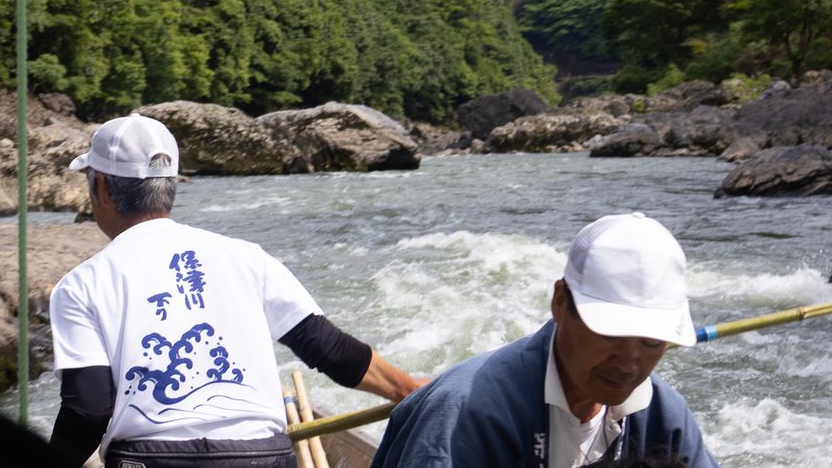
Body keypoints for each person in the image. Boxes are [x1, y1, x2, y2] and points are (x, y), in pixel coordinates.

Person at [49, 113, 425, 468]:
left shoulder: (82, 284)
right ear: (170, 186)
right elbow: (329, 349)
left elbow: (89, 409)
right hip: (263, 457)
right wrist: (405, 389)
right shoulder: (248, 257)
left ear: (100, 187)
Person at [370, 213, 720, 468]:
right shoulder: (468, 413)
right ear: (559, 302)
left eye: (651, 342)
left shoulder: (663, 414)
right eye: (610, 334)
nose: (629, 363)